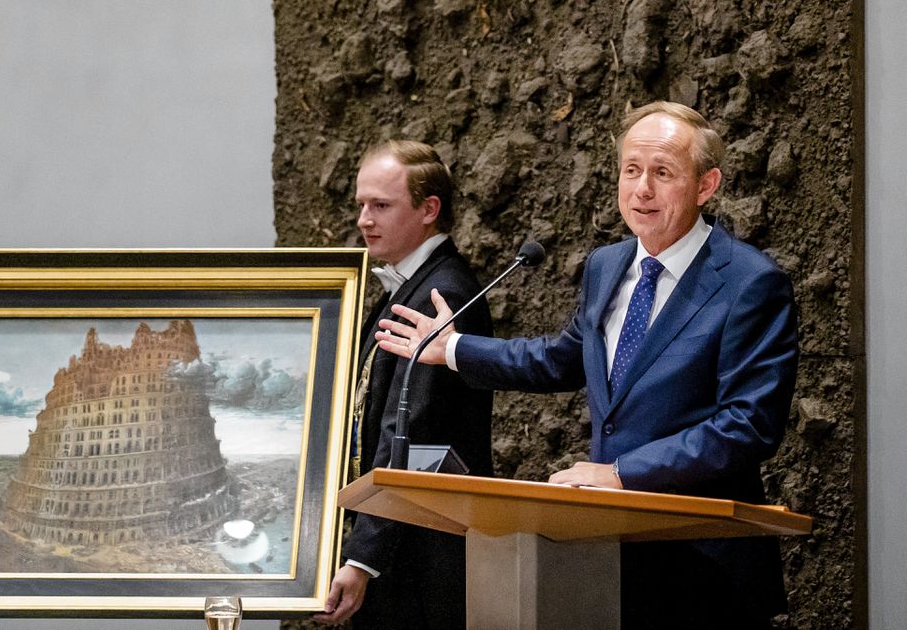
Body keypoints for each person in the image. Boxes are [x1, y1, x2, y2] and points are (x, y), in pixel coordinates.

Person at [376, 102, 798, 629]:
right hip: (606, 555)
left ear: (706, 185)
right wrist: (456, 348)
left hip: (704, 562)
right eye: (631, 170)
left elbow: (748, 425)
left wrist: (622, 474)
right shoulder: (608, 265)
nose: (641, 188)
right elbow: (562, 357)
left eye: (662, 173)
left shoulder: (750, 282)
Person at [315, 140, 493, 629]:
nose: (363, 220)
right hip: (401, 536)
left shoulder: (442, 293)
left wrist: (362, 559)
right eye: (361, 205)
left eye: (381, 205)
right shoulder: (413, 284)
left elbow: (408, 433)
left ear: (429, 209)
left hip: (421, 553)